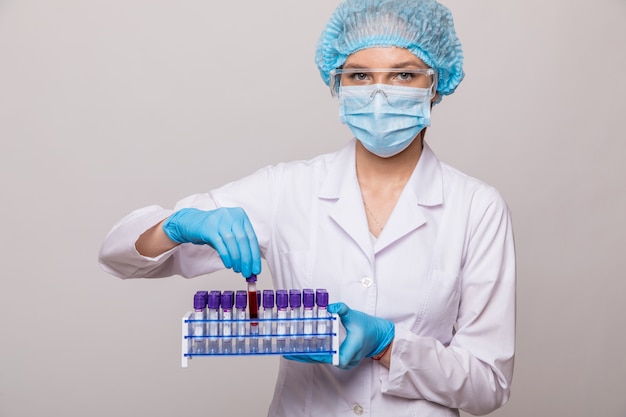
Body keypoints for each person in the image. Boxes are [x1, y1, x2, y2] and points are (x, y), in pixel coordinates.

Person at [98, 0, 516, 415]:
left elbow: (487, 384)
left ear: (436, 84)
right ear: (337, 84)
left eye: (404, 74)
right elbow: (117, 256)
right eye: (359, 75)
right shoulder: (287, 189)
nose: (379, 93)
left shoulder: (476, 208)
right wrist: (179, 225)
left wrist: (388, 345)